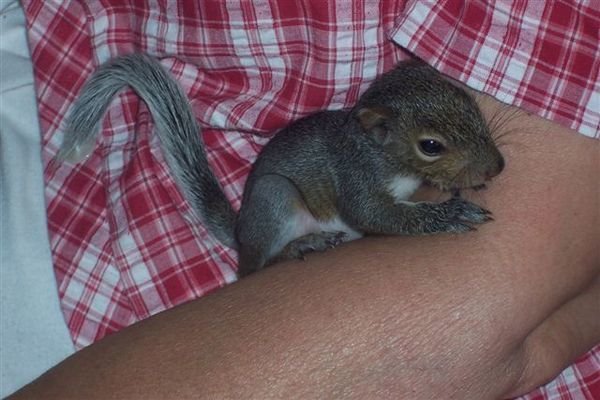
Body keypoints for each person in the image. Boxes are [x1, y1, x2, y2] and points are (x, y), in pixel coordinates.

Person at [10, 1, 599, 398]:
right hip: (288, 212)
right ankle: (263, 266)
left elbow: (489, 283)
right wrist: (439, 216)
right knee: (277, 197)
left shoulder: (397, 152)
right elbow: (374, 215)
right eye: (432, 148)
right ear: (380, 131)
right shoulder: (371, 164)